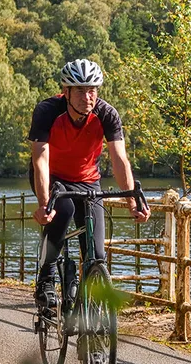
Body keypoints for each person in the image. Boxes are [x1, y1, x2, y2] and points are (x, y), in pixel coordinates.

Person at [28, 58, 149, 317]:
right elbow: (40, 159)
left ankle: (89, 309)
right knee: (64, 210)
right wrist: (43, 204)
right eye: (81, 90)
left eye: (92, 89)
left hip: (87, 179)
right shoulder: (48, 111)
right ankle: (46, 278)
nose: (88, 96)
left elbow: (119, 159)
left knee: (96, 253)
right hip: (54, 178)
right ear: (67, 91)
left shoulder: (106, 114)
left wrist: (131, 201)